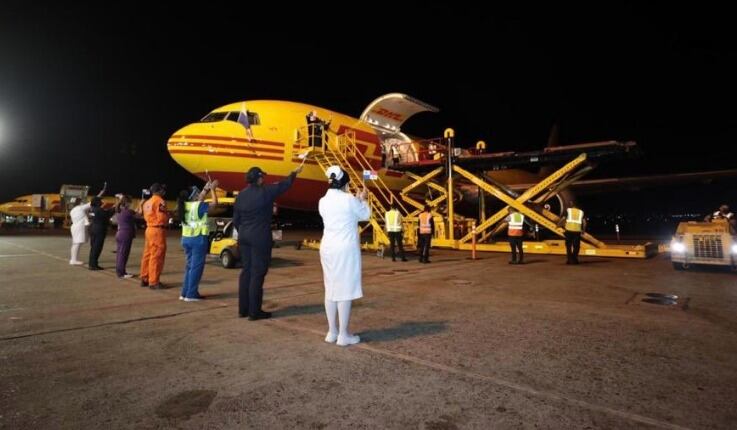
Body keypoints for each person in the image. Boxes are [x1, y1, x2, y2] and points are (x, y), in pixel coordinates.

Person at [233, 164, 302, 320]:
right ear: (259, 178)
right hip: (259, 237)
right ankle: (254, 312)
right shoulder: (265, 191)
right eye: (262, 176)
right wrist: (294, 173)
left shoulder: (241, 195)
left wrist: (244, 231)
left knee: (246, 272)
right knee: (257, 273)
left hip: (244, 236)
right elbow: (284, 185)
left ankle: (243, 310)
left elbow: (236, 220)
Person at [319, 165, 370, 346]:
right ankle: (343, 335)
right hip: (344, 249)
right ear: (345, 184)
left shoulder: (322, 201)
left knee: (331, 289)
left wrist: (356, 200)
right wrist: (362, 199)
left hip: (327, 248)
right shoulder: (349, 199)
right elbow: (365, 215)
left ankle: (332, 332)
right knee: (345, 290)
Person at [178, 180, 219, 302]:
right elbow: (214, 204)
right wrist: (213, 190)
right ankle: (191, 294)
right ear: (193, 197)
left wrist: (206, 189)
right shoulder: (199, 206)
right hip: (198, 239)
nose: (198, 194)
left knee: (189, 267)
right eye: (196, 193)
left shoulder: (185, 206)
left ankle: (184, 292)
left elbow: (199, 199)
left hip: (186, 239)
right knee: (196, 268)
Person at [140, 183, 169, 289]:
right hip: (158, 230)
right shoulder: (160, 201)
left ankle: (145, 277)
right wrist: (168, 216)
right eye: (162, 189)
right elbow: (162, 217)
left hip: (149, 229)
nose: (164, 191)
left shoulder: (147, 202)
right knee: (157, 255)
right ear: (159, 190)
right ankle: (154, 281)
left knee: (147, 254)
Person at [69, 184, 106, 265]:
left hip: (75, 227)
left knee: (75, 243)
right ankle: (73, 260)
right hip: (79, 228)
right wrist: (100, 193)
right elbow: (93, 202)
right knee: (77, 244)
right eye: (81, 201)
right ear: (79, 203)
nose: (83, 202)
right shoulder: (80, 208)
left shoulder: (73, 210)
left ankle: (73, 259)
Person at [88, 196, 114, 270]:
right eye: (100, 201)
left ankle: (92, 263)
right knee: (97, 248)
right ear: (97, 202)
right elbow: (107, 214)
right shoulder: (99, 210)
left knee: (93, 247)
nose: (102, 202)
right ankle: (93, 265)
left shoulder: (92, 209)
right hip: (99, 230)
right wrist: (114, 208)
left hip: (93, 229)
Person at [114, 195, 136, 278]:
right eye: (131, 202)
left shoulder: (119, 211)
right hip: (126, 234)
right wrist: (141, 204)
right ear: (127, 203)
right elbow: (140, 214)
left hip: (120, 233)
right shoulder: (128, 212)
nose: (131, 204)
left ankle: (120, 271)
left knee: (120, 254)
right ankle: (121, 273)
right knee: (123, 254)